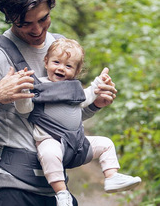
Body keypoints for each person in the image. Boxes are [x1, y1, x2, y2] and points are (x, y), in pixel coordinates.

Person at [0, 0, 119, 205]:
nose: (37, 30)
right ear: (9, 17)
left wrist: (95, 105)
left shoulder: (60, 49)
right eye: (25, 23)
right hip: (9, 191)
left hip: (53, 193)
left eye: (43, 18)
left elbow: (59, 119)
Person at [14, 38, 142, 206]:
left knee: (106, 144)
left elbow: (88, 95)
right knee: (49, 154)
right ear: (46, 62)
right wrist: (22, 89)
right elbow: (24, 109)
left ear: (76, 71)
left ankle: (111, 176)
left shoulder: (74, 88)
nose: (61, 68)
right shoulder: (38, 86)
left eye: (68, 66)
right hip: (50, 141)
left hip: (78, 144)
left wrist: (100, 81)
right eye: (56, 62)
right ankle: (61, 193)